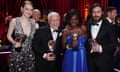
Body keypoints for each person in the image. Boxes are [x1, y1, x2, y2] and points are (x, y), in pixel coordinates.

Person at [86, 3, 118, 72]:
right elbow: (86, 40)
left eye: (98, 12)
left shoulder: (110, 26)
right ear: (91, 13)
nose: (96, 14)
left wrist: (100, 48)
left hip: (105, 62)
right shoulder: (88, 24)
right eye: (94, 12)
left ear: (102, 12)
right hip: (90, 61)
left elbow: (114, 44)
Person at [7, 1, 36, 72]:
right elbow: (8, 35)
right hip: (17, 53)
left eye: (31, 10)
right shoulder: (15, 21)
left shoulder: (33, 22)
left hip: (30, 54)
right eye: (27, 9)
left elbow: (34, 38)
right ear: (22, 9)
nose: (29, 12)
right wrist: (14, 43)